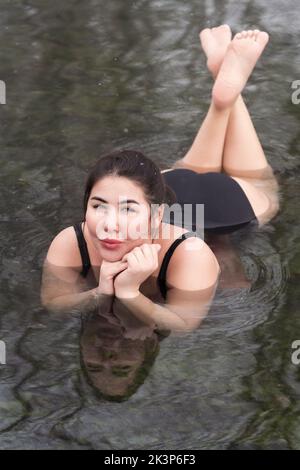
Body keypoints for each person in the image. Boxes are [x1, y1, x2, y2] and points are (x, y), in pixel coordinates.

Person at [41, 26, 279, 332]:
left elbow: (182, 326)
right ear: (85, 206)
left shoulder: (71, 242)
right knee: (202, 170)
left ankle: (225, 92)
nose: (109, 224)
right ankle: (225, 95)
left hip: (227, 210)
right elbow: (54, 302)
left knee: (254, 179)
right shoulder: (73, 240)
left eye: (125, 209)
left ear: (158, 214)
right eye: (99, 206)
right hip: (180, 188)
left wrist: (128, 292)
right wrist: (105, 290)